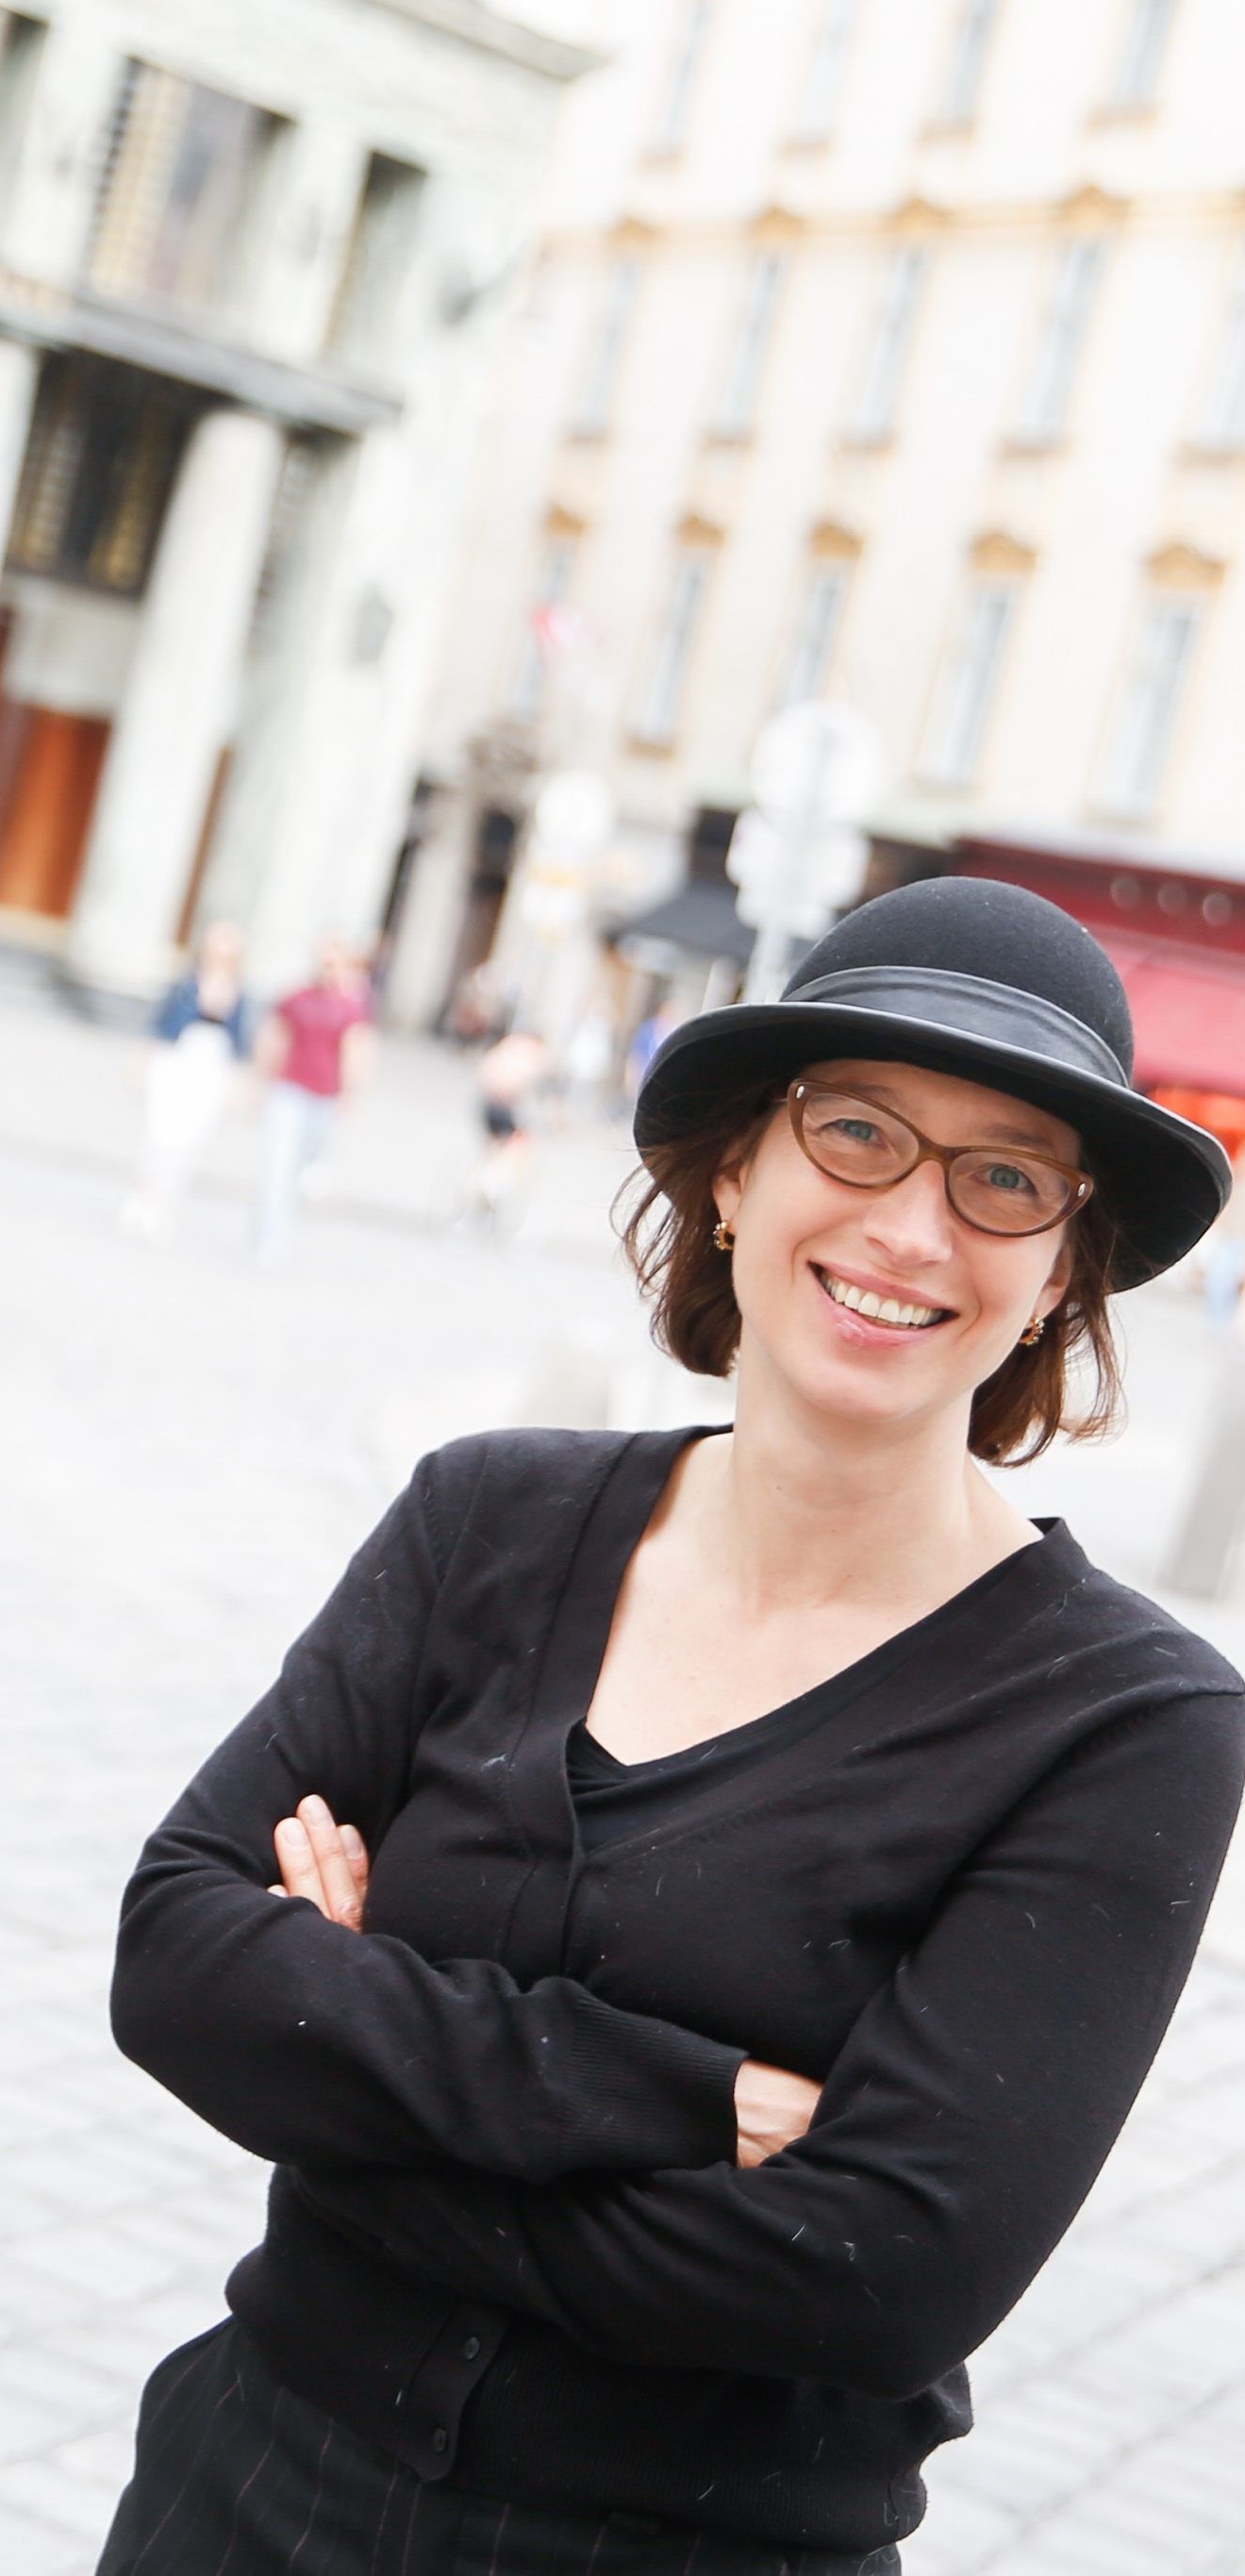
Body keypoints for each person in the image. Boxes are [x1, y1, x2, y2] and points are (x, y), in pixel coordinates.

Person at [100, 876, 1243, 2574]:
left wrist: (356, 2078)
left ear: (1063, 1262)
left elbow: (877, 2277)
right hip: (241, 2494)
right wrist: (685, 2094)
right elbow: (179, 1958)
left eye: (1004, 1178)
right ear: (731, 1170)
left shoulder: (1126, 1722)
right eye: (856, 1132)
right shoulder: (481, 1519)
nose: (913, 1229)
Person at [124, 923, 252, 1241]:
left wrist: (239, 1086)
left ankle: (165, 1203)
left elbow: (238, 1045)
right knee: (159, 1134)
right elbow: (160, 1027)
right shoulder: (186, 985)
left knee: (189, 1140)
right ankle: (143, 1194)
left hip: (210, 1067)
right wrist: (141, 1063)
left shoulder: (240, 993)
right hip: (175, 1061)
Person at [249, 938, 373, 1260]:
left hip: (325, 1097)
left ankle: (275, 1223)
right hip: (290, 1090)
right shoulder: (296, 998)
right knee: (278, 1166)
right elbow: (272, 1039)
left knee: (301, 1168)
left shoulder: (350, 1006)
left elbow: (354, 1052)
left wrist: (350, 1097)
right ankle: (270, 1238)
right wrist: (261, 1084)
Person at [463, 1025, 547, 1236]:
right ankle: (491, 1184)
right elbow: (523, 1083)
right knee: (520, 1144)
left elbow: (485, 1068)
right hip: (502, 1107)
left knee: (494, 1147)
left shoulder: (508, 1044)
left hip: (486, 1104)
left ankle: (486, 1187)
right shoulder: (529, 1053)